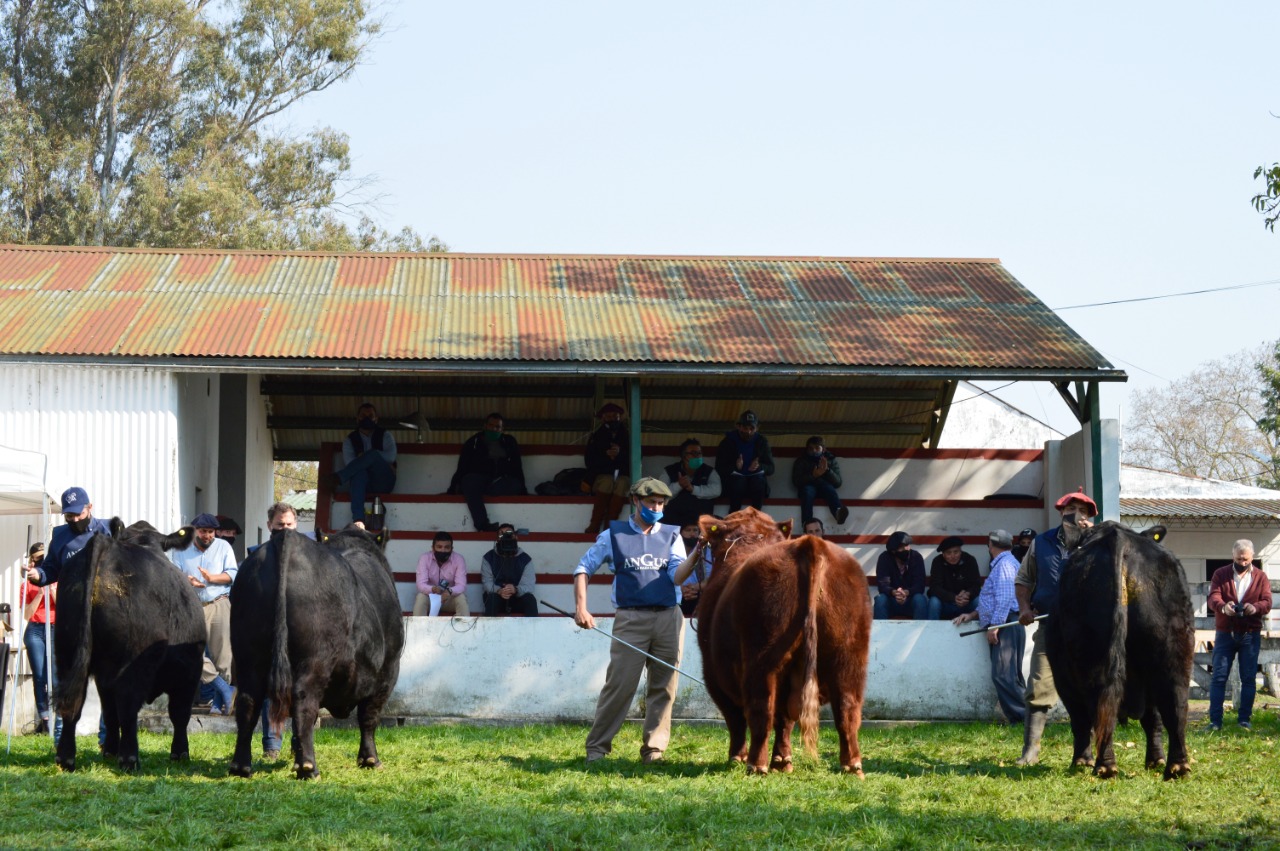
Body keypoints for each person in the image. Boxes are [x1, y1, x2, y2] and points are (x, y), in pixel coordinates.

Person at [573, 477, 687, 763]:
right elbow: (583, 568)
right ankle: (597, 749)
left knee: (664, 687)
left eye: (661, 503)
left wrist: (696, 555)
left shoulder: (673, 535)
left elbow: (676, 576)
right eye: (651, 502)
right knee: (619, 686)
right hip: (630, 618)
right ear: (635, 501)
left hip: (670, 617)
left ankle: (654, 750)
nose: (657, 507)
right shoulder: (614, 534)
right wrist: (581, 608)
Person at [1014, 488, 1097, 765]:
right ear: (1061, 513)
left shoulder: (1099, 544)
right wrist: (1025, 608)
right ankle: (1030, 752)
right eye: (1071, 510)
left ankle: (1086, 752)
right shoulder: (1041, 543)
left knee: (1089, 690)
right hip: (1050, 627)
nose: (1077, 516)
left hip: (1089, 632)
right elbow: (1024, 580)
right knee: (1038, 686)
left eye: (1084, 512)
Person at [953, 530, 1026, 724]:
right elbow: (993, 599)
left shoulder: (1004, 565)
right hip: (1007, 622)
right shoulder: (1006, 563)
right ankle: (1024, 718)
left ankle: (1024, 718)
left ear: (991, 546)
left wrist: (995, 626)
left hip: (1006, 624)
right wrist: (972, 614)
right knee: (1009, 674)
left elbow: (1004, 598)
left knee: (1003, 674)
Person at [169, 513, 237, 714]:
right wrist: (188, 580)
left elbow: (232, 574)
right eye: (203, 531)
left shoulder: (223, 547)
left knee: (223, 658)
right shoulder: (181, 548)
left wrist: (212, 578)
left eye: (211, 532)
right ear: (194, 531)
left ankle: (219, 703)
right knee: (191, 652)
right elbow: (175, 574)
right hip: (191, 606)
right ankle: (224, 688)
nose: (207, 535)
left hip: (219, 604)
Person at [1206, 539, 1274, 731]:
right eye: (1238, 559)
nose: (1242, 563)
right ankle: (1215, 722)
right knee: (1218, 677)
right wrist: (1223, 607)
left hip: (1250, 634)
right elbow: (1213, 597)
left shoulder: (1261, 577)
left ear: (1252, 557)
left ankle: (1244, 720)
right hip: (1225, 632)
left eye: (1245, 559)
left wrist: (1255, 608)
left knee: (1248, 678)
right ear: (1232, 556)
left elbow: (1267, 601)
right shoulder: (1221, 574)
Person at [451, 412, 526, 532]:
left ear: (502, 429)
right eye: (491, 426)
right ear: (485, 426)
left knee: (515, 484)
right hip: (478, 480)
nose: (494, 429)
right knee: (469, 481)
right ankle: (483, 525)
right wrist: (452, 488)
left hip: (500, 482)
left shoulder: (509, 442)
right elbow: (462, 467)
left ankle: (477, 492)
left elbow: (517, 466)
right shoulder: (473, 442)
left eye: (497, 427)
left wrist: (523, 490)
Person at [27, 486, 112, 587]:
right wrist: (38, 574)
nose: (75, 520)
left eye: (79, 514)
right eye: (69, 516)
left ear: (90, 507)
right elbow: (51, 569)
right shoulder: (59, 537)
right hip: (72, 597)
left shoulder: (109, 530)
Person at [21, 543, 63, 741]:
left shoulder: (58, 581)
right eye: (38, 558)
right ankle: (44, 719)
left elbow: (63, 608)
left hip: (55, 628)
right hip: (36, 630)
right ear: (32, 560)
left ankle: (59, 720)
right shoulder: (26, 585)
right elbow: (27, 614)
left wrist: (51, 588)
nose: (41, 561)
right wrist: (39, 591)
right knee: (39, 676)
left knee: (55, 677)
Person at [334, 402, 397, 528]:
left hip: (383, 481)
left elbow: (391, 457)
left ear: (376, 419)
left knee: (372, 455)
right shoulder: (350, 440)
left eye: (370, 415)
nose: (367, 418)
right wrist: (368, 460)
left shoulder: (385, 435)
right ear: (357, 419)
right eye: (363, 415)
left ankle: (339, 478)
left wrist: (367, 457)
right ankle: (358, 519)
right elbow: (350, 463)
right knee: (359, 471)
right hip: (362, 483)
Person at [583, 403, 631, 534]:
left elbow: (637, 458)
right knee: (607, 482)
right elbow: (589, 460)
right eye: (608, 416)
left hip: (623, 475)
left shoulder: (629, 436)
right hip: (602, 475)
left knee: (621, 484)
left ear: (620, 417)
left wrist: (620, 454)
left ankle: (610, 525)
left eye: (615, 416)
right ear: (603, 418)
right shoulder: (596, 437)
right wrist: (606, 455)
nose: (612, 419)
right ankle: (595, 523)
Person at [714, 410, 774, 513]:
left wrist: (759, 467)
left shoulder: (762, 441)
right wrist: (735, 467)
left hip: (755, 485)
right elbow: (719, 468)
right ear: (738, 426)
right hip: (734, 484)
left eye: (752, 428)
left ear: (757, 428)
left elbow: (771, 468)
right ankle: (734, 515)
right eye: (745, 428)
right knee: (738, 482)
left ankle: (756, 517)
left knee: (758, 482)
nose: (748, 432)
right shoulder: (728, 441)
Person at [791, 436, 849, 526]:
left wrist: (827, 471)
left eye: (817, 448)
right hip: (808, 488)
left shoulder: (830, 460)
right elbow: (796, 481)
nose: (814, 451)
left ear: (823, 449)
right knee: (807, 492)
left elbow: (838, 483)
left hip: (824, 488)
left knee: (829, 488)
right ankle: (807, 523)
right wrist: (813, 475)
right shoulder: (801, 461)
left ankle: (838, 513)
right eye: (811, 448)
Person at [481, 524, 538, 616]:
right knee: (492, 599)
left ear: (516, 537)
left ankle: (532, 630)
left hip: (517, 598)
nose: (505, 537)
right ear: (497, 539)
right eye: (501, 534)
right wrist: (499, 591)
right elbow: (487, 583)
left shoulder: (525, 559)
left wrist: (515, 589)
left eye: (508, 533)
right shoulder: (488, 557)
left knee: (530, 599)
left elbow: (529, 585)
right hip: (498, 597)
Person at [663, 438, 721, 527]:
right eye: (693, 453)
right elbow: (662, 494)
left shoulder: (709, 471)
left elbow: (717, 490)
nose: (697, 456)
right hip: (674, 521)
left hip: (701, 522)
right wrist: (679, 485)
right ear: (683, 456)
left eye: (699, 453)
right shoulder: (669, 471)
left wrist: (694, 489)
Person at [414, 531, 471, 617]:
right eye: (439, 547)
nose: (443, 550)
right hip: (431, 598)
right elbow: (420, 584)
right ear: (433, 548)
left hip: (449, 598)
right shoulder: (424, 558)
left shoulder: (459, 559)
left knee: (461, 598)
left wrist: (449, 591)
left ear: (452, 548)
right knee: (420, 598)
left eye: (447, 547)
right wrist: (433, 589)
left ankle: (464, 628)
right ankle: (418, 628)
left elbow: (461, 585)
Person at [873, 531, 927, 619]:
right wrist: (894, 592)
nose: (906, 549)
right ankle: (881, 632)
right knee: (880, 599)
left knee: (920, 599)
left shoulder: (916, 557)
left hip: (910, 600)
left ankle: (920, 632)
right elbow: (883, 585)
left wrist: (906, 592)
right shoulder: (884, 558)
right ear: (893, 551)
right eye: (902, 547)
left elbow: (919, 585)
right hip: (891, 600)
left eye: (908, 545)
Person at [927, 536, 982, 620]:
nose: (953, 556)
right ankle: (931, 631)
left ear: (961, 551)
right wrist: (953, 597)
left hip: (966, 602)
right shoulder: (937, 562)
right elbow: (935, 587)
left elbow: (976, 584)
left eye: (956, 552)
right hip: (946, 603)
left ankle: (981, 631)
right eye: (948, 553)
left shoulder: (970, 560)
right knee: (934, 602)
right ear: (943, 554)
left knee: (978, 601)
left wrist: (967, 594)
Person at [677, 521, 712, 618]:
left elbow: (712, 578)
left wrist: (694, 587)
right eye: (688, 530)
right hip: (677, 595)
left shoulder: (706, 550)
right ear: (680, 533)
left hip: (698, 593)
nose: (692, 534)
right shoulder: (673, 549)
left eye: (695, 530)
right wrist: (680, 590)